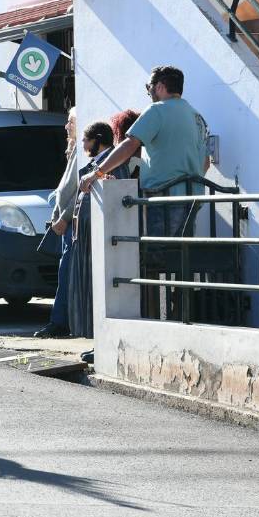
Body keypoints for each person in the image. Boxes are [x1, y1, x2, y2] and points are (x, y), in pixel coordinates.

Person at [80, 65, 210, 236]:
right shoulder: (197, 116)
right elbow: (206, 162)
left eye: (149, 86)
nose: (148, 92)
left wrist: (96, 173)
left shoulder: (157, 110)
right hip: (193, 198)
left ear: (160, 86)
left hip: (164, 199)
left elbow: (129, 144)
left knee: (156, 256)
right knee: (180, 256)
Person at [68, 119, 132, 339]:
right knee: (86, 288)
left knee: (97, 290)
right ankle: (92, 339)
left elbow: (119, 198)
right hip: (86, 234)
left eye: (86, 140)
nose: (84, 145)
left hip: (100, 236)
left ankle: (99, 341)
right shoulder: (94, 165)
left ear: (98, 140)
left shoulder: (113, 164)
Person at [37, 108, 81, 339]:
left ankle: (61, 321)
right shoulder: (73, 150)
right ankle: (60, 320)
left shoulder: (80, 151)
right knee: (64, 271)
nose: (67, 126)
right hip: (66, 220)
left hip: (71, 222)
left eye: (70, 121)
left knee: (67, 273)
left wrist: (64, 216)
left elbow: (77, 187)